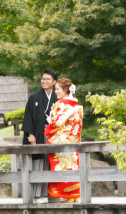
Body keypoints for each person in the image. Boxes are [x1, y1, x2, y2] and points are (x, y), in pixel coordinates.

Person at [45, 78, 84, 202]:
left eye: (57, 89)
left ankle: (66, 196)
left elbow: (55, 123)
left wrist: (47, 130)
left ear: (66, 90)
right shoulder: (77, 106)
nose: (55, 92)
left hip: (61, 142)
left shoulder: (61, 105)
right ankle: (74, 196)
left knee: (61, 168)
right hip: (73, 141)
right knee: (72, 167)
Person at [21, 69, 57, 197]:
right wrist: (30, 134)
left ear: (54, 82)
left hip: (53, 134)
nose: (44, 81)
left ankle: (53, 194)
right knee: (39, 163)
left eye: (48, 79)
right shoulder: (34, 97)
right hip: (38, 133)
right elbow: (28, 116)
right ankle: (37, 195)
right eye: (43, 79)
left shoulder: (57, 97)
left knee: (52, 162)